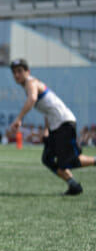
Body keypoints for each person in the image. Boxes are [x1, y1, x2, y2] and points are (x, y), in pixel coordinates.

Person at [8, 58, 94, 195]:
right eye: (14, 72)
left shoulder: (31, 83)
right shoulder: (29, 86)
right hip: (56, 127)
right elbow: (47, 110)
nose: (16, 75)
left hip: (64, 124)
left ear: (27, 72)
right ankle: (74, 185)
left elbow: (32, 100)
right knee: (47, 158)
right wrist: (47, 129)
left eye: (19, 71)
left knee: (71, 161)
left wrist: (19, 119)